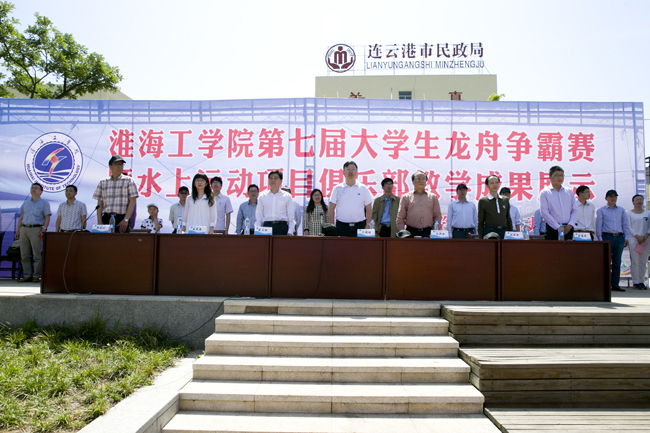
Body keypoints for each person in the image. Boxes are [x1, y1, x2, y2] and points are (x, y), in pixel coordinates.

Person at [15, 182, 51, 283]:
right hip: (24, 229)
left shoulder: (44, 203)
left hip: (36, 229)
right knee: (24, 254)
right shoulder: (26, 203)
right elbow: (21, 218)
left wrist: (44, 229)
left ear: (41, 191)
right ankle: (27, 275)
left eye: (36, 188)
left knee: (36, 254)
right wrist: (18, 230)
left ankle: (36, 276)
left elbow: (47, 217)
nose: (33, 189)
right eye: (32, 187)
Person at [595, 190, 630, 292]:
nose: (613, 198)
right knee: (606, 261)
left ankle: (615, 284)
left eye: (615, 196)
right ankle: (606, 284)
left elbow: (625, 224)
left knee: (617, 262)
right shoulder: (601, 210)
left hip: (619, 237)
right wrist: (600, 239)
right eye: (611, 197)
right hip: (607, 237)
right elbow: (599, 226)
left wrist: (626, 237)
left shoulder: (621, 210)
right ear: (606, 198)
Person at [92, 154, 138, 233]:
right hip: (106, 218)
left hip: (122, 218)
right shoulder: (103, 182)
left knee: (121, 241)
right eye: (116, 164)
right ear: (110, 166)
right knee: (104, 241)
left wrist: (125, 220)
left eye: (121, 164)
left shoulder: (129, 181)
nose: (119, 166)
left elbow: (132, 201)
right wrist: (99, 221)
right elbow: (99, 203)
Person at [329, 161, 373, 237]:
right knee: (341, 245)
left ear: (357, 171)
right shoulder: (337, 189)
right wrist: (332, 225)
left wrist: (368, 224)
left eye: (353, 169)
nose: (350, 171)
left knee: (360, 245)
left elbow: (368, 208)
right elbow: (331, 207)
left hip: (360, 226)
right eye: (348, 169)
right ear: (343, 172)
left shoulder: (363, 188)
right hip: (341, 226)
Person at [396, 170, 442, 238]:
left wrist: (435, 232)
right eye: (418, 178)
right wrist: (403, 233)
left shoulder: (433, 197)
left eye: (423, 179)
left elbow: (437, 215)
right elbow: (400, 217)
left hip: (428, 232)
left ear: (426, 182)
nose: (421, 181)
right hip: (410, 233)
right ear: (413, 181)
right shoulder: (406, 197)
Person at [540, 166, 578, 241]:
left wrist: (570, 225)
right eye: (556, 175)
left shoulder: (569, 191)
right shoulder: (545, 192)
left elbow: (575, 210)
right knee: (553, 248)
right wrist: (558, 227)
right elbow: (544, 213)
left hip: (568, 228)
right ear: (550, 177)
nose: (559, 177)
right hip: (553, 228)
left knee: (569, 248)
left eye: (561, 175)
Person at [255, 170, 295, 235]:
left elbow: (291, 216)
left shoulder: (287, 196)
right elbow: (259, 216)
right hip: (266, 227)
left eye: (275, 178)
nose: (273, 180)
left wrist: (290, 231)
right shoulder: (262, 196)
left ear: (281, 181)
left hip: (282, 227)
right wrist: (257, 231)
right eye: (271, 178)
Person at [627, 194, 650, 290]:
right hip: (634, 239)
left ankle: (642, 281)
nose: (639, 201)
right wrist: (637, 236)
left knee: (643, 262)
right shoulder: (629, 213)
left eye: (641, 199)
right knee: (635, 262)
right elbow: (628, 226)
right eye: (637, 199)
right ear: (633, 202)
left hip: (645, 239)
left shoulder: (648, 213)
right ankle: (636, 282)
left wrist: (645, 236)